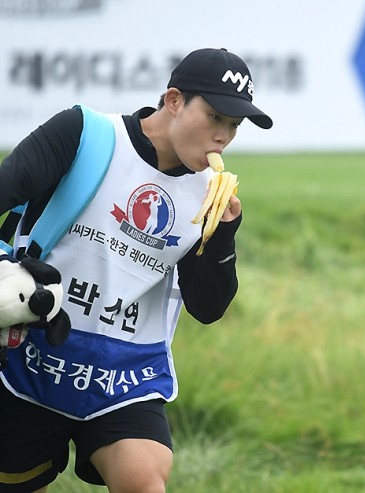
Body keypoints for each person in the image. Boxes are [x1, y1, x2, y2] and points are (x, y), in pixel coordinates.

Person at [0, 47, 272, 492]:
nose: (223, 136)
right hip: (32, 358)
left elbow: (208, 308)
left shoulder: (209, 196)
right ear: (174, 100)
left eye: (234, 125)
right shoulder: (85, 133)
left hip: (124, 374)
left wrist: (221, 236)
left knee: (145, 480)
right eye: (215, 117)